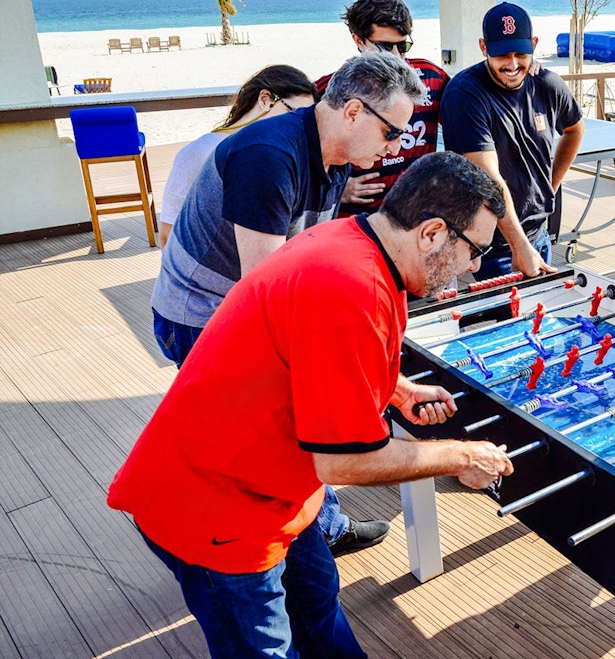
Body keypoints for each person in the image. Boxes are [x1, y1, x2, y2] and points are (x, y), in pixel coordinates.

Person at [110, 153, 514, 658]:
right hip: (217, 510)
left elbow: (309, 352)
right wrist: (464, 456)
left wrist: (398, 390)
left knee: (318, 614)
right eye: (475, 249)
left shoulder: (353, 239)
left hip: (282, 492)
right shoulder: (351, 289)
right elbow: (343, 460)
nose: (475, 266)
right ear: (431, 233)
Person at [151, 50, 424, 556]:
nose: (394, 148)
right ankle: (248, 544)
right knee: (270, 432)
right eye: (392, 133)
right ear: (353, 112)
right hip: (199, 313)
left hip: (247, 302)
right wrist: (362, 374)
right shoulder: (268, 157)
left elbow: (312, 267)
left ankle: (312, 532)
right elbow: (269, 295)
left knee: (291, 425)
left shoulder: (338, 156)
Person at [441, 1, 585, 279]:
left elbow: (574, 129)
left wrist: (549, 187)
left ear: (534, 44)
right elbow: (488, 178)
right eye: (502, 55)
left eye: (521, 53)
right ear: (483, 48)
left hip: (539, 232)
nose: (512, 64)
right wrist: (518, 246)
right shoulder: (464, 94)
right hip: (493, 244)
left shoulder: (547, 83)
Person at [314, 0, 450, 215]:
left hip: (414, 219)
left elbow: (470, 119)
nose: (397, 56)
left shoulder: (432, 78)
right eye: (386, 47)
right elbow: (301, 153)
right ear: (359, 40)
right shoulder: (330, 89)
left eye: (403, 46)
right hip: (355, 221)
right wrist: (336, 188)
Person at [158, 65, 319, 247]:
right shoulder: (202, 151)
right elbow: (167, 234)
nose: (297, 126)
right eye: (293, 113)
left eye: (304, 120)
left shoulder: (276, 158)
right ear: (265, 100)